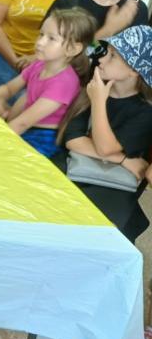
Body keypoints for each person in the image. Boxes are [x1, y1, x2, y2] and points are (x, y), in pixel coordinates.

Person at [58, 25, 152, 241]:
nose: (101, 59)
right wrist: (123, 159)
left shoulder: (145, 111)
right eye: (106, 52)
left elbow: (105, 148)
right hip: (77, 171)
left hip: (114, 188)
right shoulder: (94, 87)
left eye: (113, 56)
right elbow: (73, 140)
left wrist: (99, 101)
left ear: (134, 69)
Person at [0, 8, 93, 157]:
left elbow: (22, 123)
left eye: (51, 38)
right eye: (41, 34)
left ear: (72, 49)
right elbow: (9, 89)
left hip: (42, 138)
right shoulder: (38, 65)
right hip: (23, 127)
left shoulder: (64, 83)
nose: (40, 42)